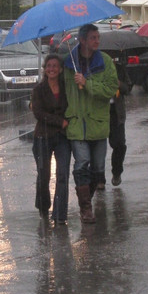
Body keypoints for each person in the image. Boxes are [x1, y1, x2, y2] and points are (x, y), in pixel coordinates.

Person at [63, 23, 119, 223]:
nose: (97, 41)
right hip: (77, 124)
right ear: (82, 40)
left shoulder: (105, 61)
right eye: (93, 38)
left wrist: (88, 84)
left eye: (98, 37)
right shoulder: (68, 63)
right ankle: (85, 208)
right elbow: (60, 89)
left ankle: (87, 197)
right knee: (81, 164)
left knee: (97, 169)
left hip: (98, 124)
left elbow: (111, 88)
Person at [30, 54, 71, 224]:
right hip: (43, 136)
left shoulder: (67, 87)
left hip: (62, 137)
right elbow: (38, 113)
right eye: (48, 66)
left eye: (55, 66)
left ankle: (60, 215)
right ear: (45, 69)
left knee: (62, 174)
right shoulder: (38, 90)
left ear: (60, 69)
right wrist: (60, 121)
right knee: (43, 174)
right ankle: (43, 207)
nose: (51, 69)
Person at [96, 55, 132, 188]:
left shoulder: (120, 69)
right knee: (98, 146)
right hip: (99, 111)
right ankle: (99, 178)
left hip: (116, 112)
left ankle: (117, 172)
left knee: (119, 144)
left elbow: (127, 88)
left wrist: (118, 83)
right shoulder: (95, 68)